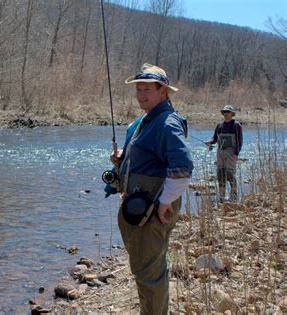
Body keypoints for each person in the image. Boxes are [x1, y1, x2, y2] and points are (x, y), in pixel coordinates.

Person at [109, 63, 194, 314]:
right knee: (145, 269)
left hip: (153, 209)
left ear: (163, 92)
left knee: (149, 273)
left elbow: (183, 166)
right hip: (142, 207)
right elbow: (154, 156)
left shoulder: (167, 122)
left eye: (148, 89)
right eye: (139, 89)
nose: (141, 95)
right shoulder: (146, 121)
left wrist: (166, 201)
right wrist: (124, 157)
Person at [204, 105, 243, 203]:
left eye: (228, 112)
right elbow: (215, 139)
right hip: (220, 153)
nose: (226, 114)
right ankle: (221, 197)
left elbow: (240, 141)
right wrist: (209, 142)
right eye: (224, 112)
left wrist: (236, 154)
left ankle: (233, 197)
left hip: (231, 153)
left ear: (232, 114)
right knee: (220, 174)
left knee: (230, 174)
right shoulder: (219, 126)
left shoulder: (236, 125)